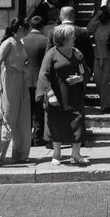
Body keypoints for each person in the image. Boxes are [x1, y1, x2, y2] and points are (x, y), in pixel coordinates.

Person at [36, 24, 89, 165]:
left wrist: (81, 78)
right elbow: (43, 75)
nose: (74, 38)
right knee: (56, 124)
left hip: (74, 96)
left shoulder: (77, 53)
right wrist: (50, 93)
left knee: (78, 123)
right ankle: (57, 154)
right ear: (63, 38)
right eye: (71, 36)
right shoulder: (51, 54)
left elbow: (86, 70)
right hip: (57, 96)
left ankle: (76, 154)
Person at [0, 19, 32, 166]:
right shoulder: (9, 42)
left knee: (23, 117)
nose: (27, 32)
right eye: (25, 29)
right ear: (19, 28)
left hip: (21, 78)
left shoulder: (21, 42)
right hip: (10, 79)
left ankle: (21, 153)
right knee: (7, 116)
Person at [46, 6, 94, 85]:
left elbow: (48, 54)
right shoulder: (83, 32)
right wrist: (88, 73)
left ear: (60, 16)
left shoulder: (53, 32)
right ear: (74, 17)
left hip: (58, 72)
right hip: (78, 73)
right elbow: (89, 55)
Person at [23, 15, 49, 147]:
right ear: (42, 27)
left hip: (25, 80)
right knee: (39, 111)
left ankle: (27, 138)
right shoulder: (46, 41)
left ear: (30, 26)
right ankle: (38, 138)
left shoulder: (22, 40)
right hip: (40, 81)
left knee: (26, 111)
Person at [87, 6, 110, 113]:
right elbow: (88, 30)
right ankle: (104, 103)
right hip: (97, 57)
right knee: (99, 82)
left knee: (108, 82)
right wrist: (96, 16)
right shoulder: (97, 23)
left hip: (109, 56)